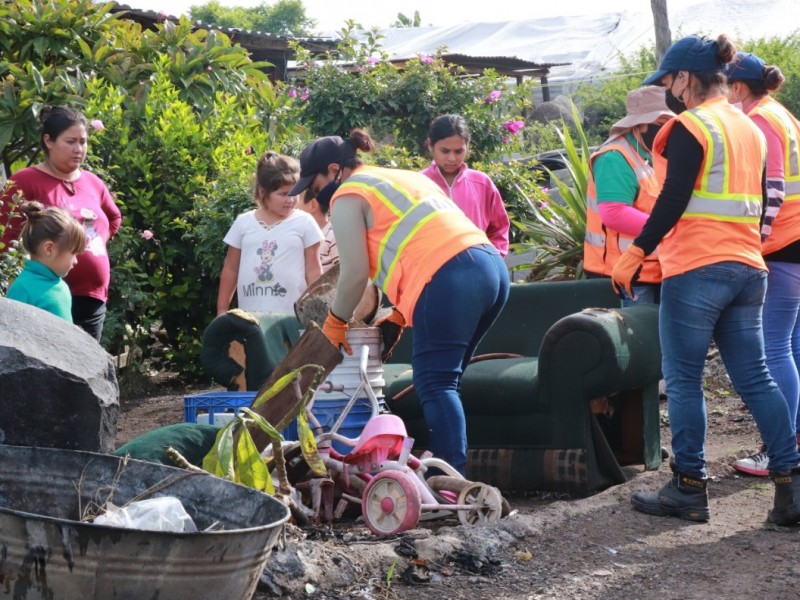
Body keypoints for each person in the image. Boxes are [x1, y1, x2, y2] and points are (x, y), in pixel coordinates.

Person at [611, 34, 800, 525]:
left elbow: (672, 200)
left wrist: (635, 253)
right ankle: (792, 489)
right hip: (749, 268)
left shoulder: (690, 127)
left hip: (697, 270)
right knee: (756, 377)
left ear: (687, 79)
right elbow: (761, 202)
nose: (669, 90)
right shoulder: (749, 126)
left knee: (684, 379)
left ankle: (689, 488)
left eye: (670, 80)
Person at [288, 129, 510, 475]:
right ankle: (453, 478)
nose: (315, 196)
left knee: (435, 383)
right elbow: (424, 239)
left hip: (451, 276)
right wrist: (401, 312)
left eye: (314, 186)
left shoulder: (348, 193)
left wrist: (335, 323)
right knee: (445, 382)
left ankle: (449, 483)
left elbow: (355, 273)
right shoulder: (402, 177)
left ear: (334, 170)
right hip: (490, 268)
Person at [724, 52, 800, 478]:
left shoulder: (760, 120)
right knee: (792, 345)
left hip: (783, 241)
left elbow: (771, 190)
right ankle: (793, 439)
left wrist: (757, 239)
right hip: (796, 239)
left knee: (774, 349)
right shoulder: (781, 113)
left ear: (737, 88)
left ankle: (780, 447)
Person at [0, 106, 122, 341]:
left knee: (86, 369)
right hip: (45, 296)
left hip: (92, 297)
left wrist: (94, 245)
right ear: (49, 140)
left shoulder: (92, 182)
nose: (79, 149)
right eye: (71, 141)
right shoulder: (25, 181)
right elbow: (5, 239)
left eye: (83, 142)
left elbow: (113, 217)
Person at [584, 86, 674, 306]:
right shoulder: (614, 157)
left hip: (649, 272)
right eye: (662, 124)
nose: (668, 131)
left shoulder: (648, 156)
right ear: (641, 125)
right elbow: (614, 214)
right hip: (626, 277)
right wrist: (671, 230)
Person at [216, 151, 323, 315]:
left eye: (295, 192)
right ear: (262, 191)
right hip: (251, 319)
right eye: (283, 194)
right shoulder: (243, 223)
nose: (291, 199)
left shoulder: (305, 222)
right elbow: (231, 269)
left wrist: (317, 311)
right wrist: (222, 310)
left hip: (292, 319)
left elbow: (314, 271)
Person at [421, 114, 510, 257]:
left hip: (479, 269)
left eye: (458, 151)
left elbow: (499, 228)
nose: (452, 158)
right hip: (432, 274)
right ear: (430, 146)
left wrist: (494, 258)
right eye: (445, 151)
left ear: (467, 146)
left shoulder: (481, 183)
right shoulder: (418, 184)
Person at [6, 201, 86, 322]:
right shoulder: (22, 289)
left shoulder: (61, 286)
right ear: (49, 249)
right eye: (73, 253)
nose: (75, 261)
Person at [299, 188, 339, 272]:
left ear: (313, 205)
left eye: (298, 199)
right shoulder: (300, 235)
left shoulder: (334, 235)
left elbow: (342, 273)